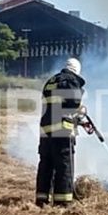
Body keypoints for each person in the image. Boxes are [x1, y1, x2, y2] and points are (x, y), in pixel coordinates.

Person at [36, 58, 86, 207]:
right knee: (64, 166)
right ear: (76, 71)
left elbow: (56, 105)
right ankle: (62, 203)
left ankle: (41, 200)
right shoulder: (71, 80)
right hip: (61, 131)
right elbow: (73, 103)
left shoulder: (51, 81)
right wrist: (81, 111)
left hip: (46, 130)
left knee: (46, 165)